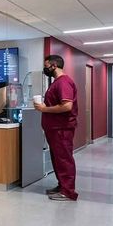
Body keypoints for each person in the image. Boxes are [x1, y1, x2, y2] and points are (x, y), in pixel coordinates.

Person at [34, 55, 79, 201]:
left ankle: (68, 191)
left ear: (53, 65)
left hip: (62, 128)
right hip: (54, 129)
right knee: (57, 159)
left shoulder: (63, 82)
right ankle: (62, 186)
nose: (45, 68)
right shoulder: (56, 82)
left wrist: (43, 109)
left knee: (64, 159)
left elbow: (67, 106)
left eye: (46, 65)